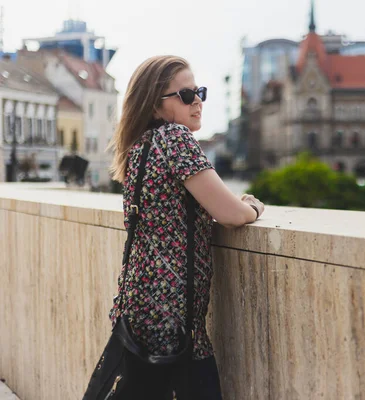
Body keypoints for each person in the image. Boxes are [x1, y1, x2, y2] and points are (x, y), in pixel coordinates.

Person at [106, 55, 264, 399]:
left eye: (200, 92)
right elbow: (232, 214)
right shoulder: (174, 138)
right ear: (154, 105)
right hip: (173, 321)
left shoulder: (140, 147)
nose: (198, 103)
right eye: (186, 95)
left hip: (141, 308)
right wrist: (252, 204)